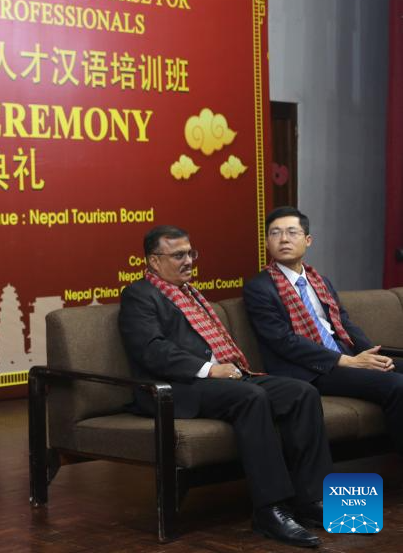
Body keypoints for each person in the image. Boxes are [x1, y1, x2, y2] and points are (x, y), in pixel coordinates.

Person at [119, 225, 330, 548]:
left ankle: (312, 499)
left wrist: (224, 369)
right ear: (154, 261)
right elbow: (152, 349)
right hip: (177, 387)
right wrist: (210, 369)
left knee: (302, 393)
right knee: (251, 397)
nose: (188, 261)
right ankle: (270, 510)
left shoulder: (189, 293)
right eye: (178, 255)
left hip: (227, 376)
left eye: (190, 253)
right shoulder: (139, 295)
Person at [244, 206, 403, 452]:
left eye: (292, 232)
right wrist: (347, 361)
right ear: (266, 243)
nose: (284, 239)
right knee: (396, 385)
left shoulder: (318, 281)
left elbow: (344, 322)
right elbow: (284, 341)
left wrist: (372, 354)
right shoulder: (259, 288)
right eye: (275, 233)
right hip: (310, 371)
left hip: (343, 357)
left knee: (392, 368)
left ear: (307, 240)